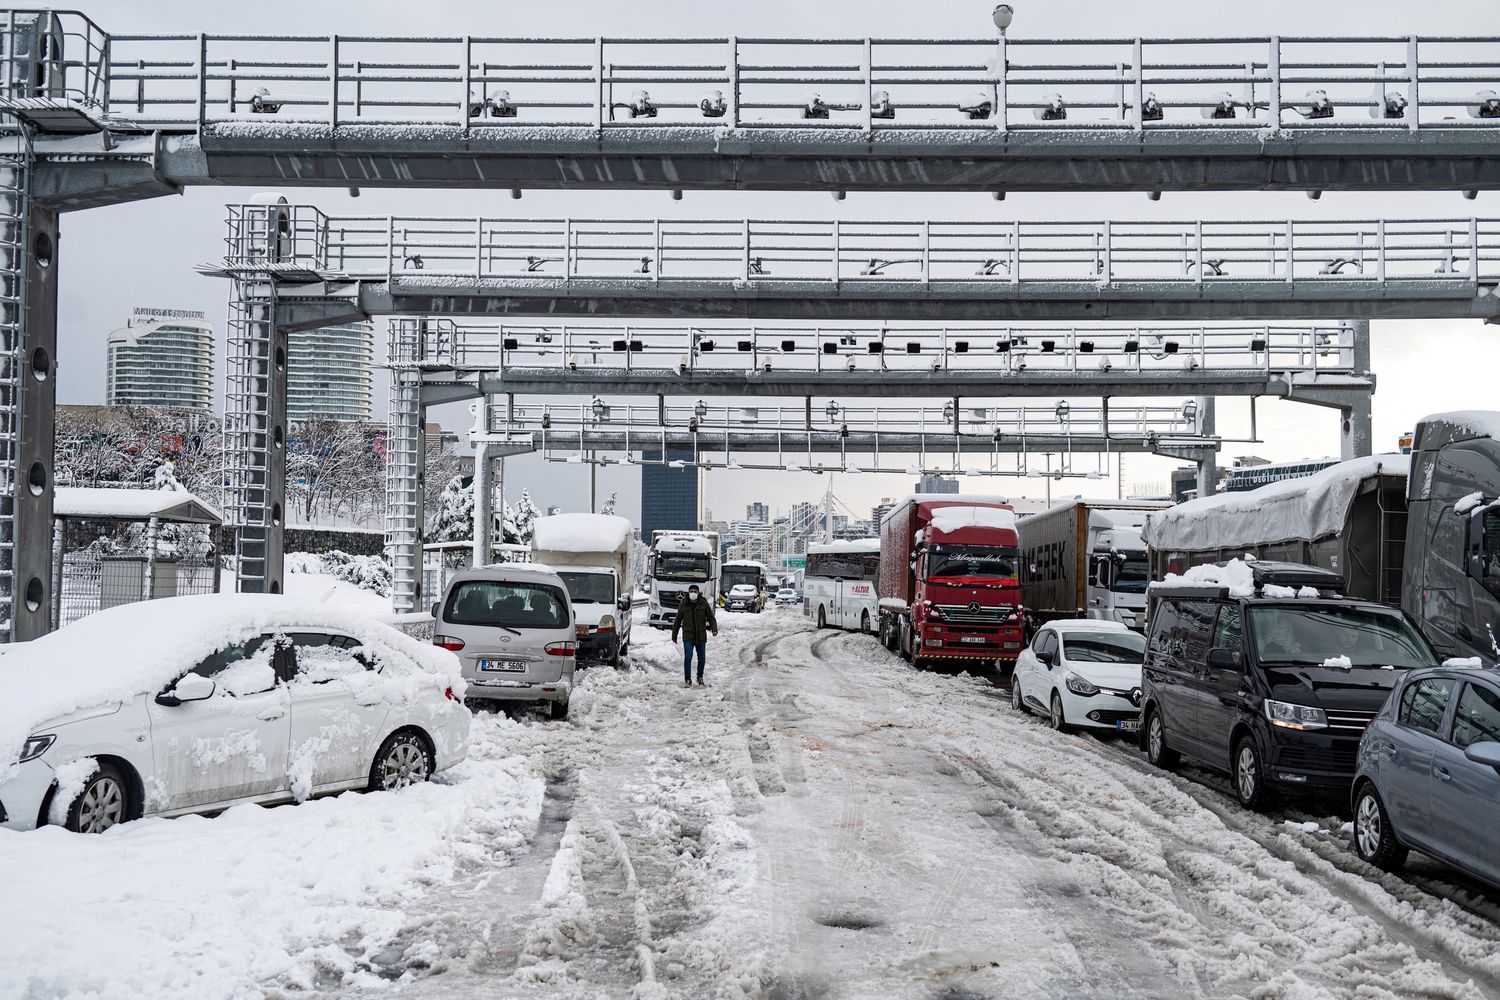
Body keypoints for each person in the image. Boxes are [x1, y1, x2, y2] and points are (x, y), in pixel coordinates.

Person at [671, 583, 719, 687]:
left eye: (695, 592)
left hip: (701, 636)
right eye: (691, 591)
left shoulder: (703, 603)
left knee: (702, 658)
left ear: (698, 593)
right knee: (688, 657)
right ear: (688, 593)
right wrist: (674, 635)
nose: (693, 593)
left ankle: (699, 676)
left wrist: (714, 629)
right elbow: (678, 620)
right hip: (688, 635)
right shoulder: (684, 604)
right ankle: (688, 679)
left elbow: (711, 617)